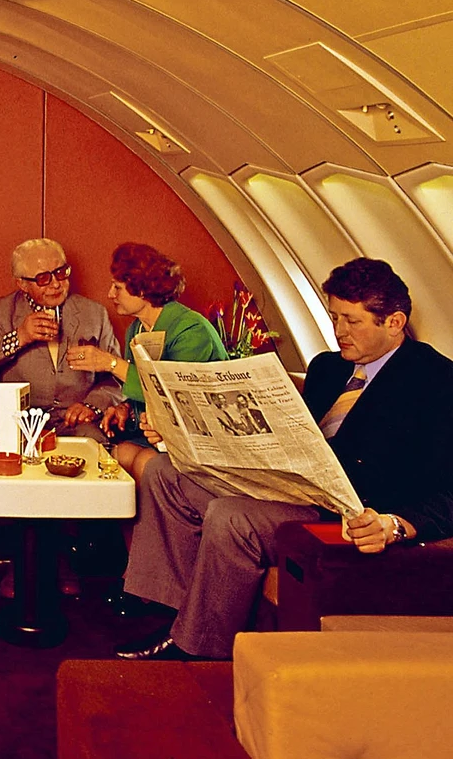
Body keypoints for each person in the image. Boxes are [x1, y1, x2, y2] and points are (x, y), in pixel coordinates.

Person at [116, 258, 453, 660]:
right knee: (163, 472)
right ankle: (176, 612)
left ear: (394, 322)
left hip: (344, 515)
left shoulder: (435, 382)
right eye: (333, 317)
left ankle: (197, 647)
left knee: (230, 516)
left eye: (352, 321)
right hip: (284, 488)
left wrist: (396, 525)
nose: (338, 332)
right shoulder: (328, 368)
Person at [67, 242, 227, 477]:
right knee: (112, 455)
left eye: (117, 287)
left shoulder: (191, 330)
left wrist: (110, 363)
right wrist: (125, 409)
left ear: (141, 290)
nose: (110, 295)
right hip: (155, 434)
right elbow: (143, 396)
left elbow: (173, 394)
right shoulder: (137, 329)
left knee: (146, 462)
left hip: (196, 436)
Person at [0, 238, 123, 441]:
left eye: (61, 273)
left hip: (72, 420)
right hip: (15, 417)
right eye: (43, 278)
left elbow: (116, 378)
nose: (56, 284)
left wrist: (92, 405)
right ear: (23, 284)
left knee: (96, 446)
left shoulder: (95, 313)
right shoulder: (1, 312)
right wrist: (19, 337)